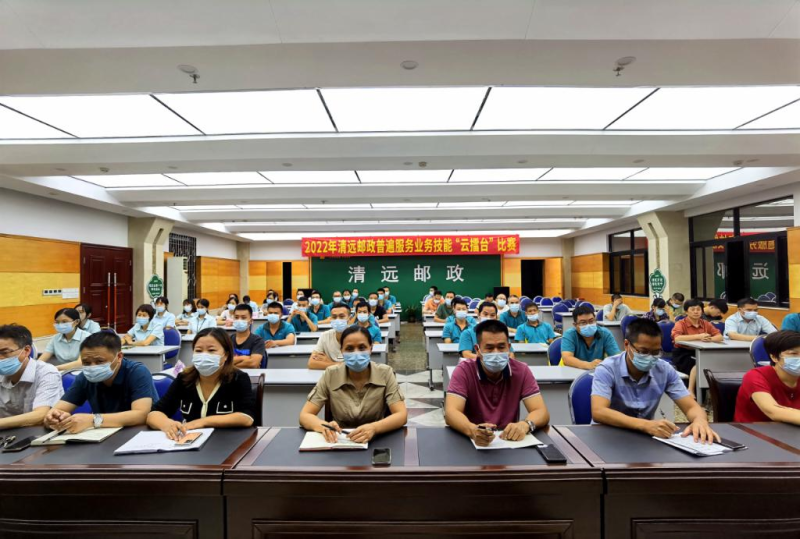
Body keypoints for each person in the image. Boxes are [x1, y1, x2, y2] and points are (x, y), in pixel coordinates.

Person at [592, 319, 719, 443]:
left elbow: (691, 407)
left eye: (655, 352)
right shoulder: (607, 368)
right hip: (609, 435)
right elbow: (599, 411)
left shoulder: (664, 370)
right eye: (643, 351)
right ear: (626, 345)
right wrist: (645, 425)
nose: (650, 357)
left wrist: (700, 420)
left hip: (644, 438)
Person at [445, 320, 549, 447]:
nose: (496, 353)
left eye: (501, 347)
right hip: (472, 442)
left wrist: (525, 424)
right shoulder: (464, 371)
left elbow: (541, 411)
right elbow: (451, 412)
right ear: (477, 350)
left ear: (509, 347)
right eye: (489, 348)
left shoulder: (522, 371)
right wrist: (472, 430)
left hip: (510, 442)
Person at [300, 326, 406, 443]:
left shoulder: (385, 373)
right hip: (340, 440)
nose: (356, 353)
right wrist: (323, 426)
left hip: (376, 440)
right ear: (341, 351)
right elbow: (305, 415)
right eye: (349, 349)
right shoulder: (331, 374)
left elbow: (401, 414)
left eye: (362, 347)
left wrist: (374, 428)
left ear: (371, 348)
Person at [148, 328, 255, 439]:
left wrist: (202, 422)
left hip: (226, 441)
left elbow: (247, 417)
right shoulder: (184, 379)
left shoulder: (238, 378)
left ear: (226, 355)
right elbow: (154, 413)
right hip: (189, 442)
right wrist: (167, 424)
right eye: (198, 351)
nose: (204, 355)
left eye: (211, 350)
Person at [44, 332, 158, 434]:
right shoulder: (85, 377)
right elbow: (59, 409)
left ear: (119, 357)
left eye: (99, 361)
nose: (92, 367)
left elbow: (141, 415)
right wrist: (53, 418)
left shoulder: (137, 372)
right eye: (86, 362)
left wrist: (93, 420)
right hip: (104, 436)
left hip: (139, 434)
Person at [0, 324, 63, 430]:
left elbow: (40, 415)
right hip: (7, 432)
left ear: (26, 350)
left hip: (37, 432)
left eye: (4, 352)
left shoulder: (47, 373)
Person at [735, 331, 800, 424]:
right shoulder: (755, 376)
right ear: (774, 357)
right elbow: (773, 412)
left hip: (791, 429)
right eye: (793, 354)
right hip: (752, 430)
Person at [671, 298, 723, 395]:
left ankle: (710, 394)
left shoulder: (706, 323)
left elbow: (720, 336)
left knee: (715, 362)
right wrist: (698, 336)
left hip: (701, 351)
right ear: (686, 311)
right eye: (692, 309)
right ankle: (691, 391)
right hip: (683, 353)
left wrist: (710, 339)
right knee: (698, 363)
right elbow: (677, 338)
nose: (696, 312)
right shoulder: (680, 323)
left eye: (698, 309)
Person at [561, 304, 620, 370]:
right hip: (574, 371)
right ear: (575, 325)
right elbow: (566, 358)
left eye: (591, 321)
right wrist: (588, 365)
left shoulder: (605, 333)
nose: (588, 325)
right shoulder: (569, 334)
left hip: (597, 372)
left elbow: (616, 357)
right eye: (583, 322)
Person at [308, 303, 351, 370]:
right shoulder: (325, 336)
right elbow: (311, 363)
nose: (337, 320)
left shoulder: (356, 337)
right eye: (334, 317)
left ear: (349, 318)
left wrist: (328, 362)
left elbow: (355, 366)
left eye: (342, 316)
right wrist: (337, 364)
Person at [230, 304, 266, 369]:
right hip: (231, 374)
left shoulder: (257, 341)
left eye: (243, 318)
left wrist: (230, 365)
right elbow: (221, 362)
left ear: (251, 321)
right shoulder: (228, 340)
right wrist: (245, 358)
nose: (239, 320)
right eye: (236, 317)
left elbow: (253, 364)